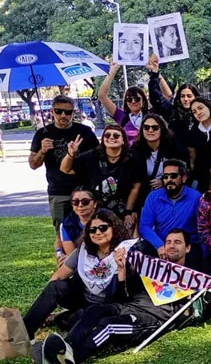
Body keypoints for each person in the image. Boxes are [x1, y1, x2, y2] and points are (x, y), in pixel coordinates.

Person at [38, 230, 211, 364]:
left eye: (177, 242)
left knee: (109, 325)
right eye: (169, 242)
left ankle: (73, 358)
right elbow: (122, 296)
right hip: (128, 306)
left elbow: (194, 314)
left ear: (187, 248)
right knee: (95, 311)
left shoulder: (193, 278)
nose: (171, 246)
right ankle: (67, 346)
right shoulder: (152, 269)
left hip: (149, 318)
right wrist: (121, 271)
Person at [23, 209, 132, 340]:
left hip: (109, 305)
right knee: (56, 286)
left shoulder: (127, 252)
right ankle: (24, 331)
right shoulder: (83, 250)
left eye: (103, 228)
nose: (97, 233)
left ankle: (65, 323)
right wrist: (44, 309)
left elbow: (125, 297)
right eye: (92, 230)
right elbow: (58, 276)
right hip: (83, 299)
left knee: (75, 321)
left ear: (114, 228)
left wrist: (121, 270)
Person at [30, 95, 99, 257]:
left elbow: (98, 156)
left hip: (84, 191)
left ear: (73, 112)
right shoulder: (43, 133)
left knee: (91, 229)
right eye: (58, 111)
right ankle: (64, 264)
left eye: (67, 112)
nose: (63, 116)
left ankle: (91, 263)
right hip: (58, 191)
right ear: (52, 111)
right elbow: (33, 164)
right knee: (62, 231)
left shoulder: (84, 132)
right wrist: (42, 151)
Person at [61, 125, 142, 230]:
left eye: (116, 135)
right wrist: (70, 154)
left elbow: (136, 187)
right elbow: (65, 169)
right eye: (107, 135)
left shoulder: (132, 158)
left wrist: (128, 212)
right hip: (94, 211)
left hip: (121, 211)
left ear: (123, 140)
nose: (111, 138)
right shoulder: (92, 156)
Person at [138, 159, 204, 265]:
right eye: (165, 176)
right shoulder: (154, 196)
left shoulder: (196, 197)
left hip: (187, 248)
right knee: (142, 249)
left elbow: (202, 229)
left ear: (184, 178)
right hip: (161, 245)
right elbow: (145, 226)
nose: (169, 179)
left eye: (173, 176)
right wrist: (159, 245)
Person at [131, 114, 185, 211]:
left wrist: (164, 182)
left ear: (162, 129)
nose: (150, 131)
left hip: (172, 193)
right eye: (146, 127)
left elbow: (184, 171)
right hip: (146, 197)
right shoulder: (135, 151)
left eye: (155, 128)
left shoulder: (173, 147)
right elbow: (134, 181)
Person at [146, 56, 195, 147]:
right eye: (182, 96)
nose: (186, 99)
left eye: (189, 96)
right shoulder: (173, 112)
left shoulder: (202, 113)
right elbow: (156, 98)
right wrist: (155, 73)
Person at [98, 62, 150, 145]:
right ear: (126, 102)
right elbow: (102, 95)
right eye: (129, 99)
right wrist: (112, 72)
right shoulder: (122, 116)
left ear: (143, 100)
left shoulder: (151, 115)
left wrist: (155, 71)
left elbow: (167, 96)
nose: (133, 102)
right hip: (129, 155)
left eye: (137, 99)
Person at [58, 187, 100, 260]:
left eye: (85, 201)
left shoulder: (106, 221)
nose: (80, 205)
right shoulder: (67, 225)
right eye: (75, 202)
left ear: (95, 204)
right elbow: (72, 256)